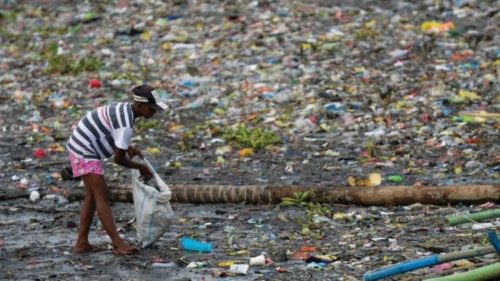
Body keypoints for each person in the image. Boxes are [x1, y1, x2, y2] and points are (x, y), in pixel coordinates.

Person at [66, 84, 168, 255]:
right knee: (102, 195)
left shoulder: (125, 109)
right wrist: (141, 167)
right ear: (141, 106)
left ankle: (81, 243)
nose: (154, 112)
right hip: (83, 151)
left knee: (92, 197)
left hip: (81, 146)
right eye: (152, 108)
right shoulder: (126, 124)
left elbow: (111, 131)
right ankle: (117, 243)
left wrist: (127, 147)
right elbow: (118, 159)